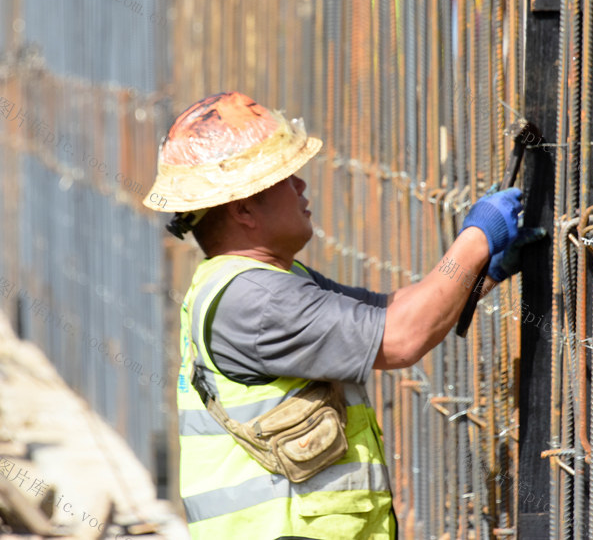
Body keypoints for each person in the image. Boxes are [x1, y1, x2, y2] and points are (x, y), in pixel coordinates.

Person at [144, 92, 544, 539]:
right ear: (242, 210)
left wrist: (478, 273)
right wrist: (475, 239)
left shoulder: (252, 281)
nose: (302, 187)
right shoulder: (256, 300)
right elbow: (401, 338)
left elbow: (389, 313)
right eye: (285, 178)